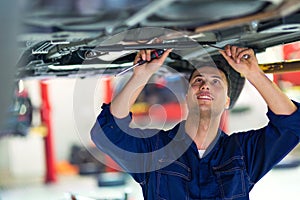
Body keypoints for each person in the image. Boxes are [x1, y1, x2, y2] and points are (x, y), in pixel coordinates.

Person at [91, 45, 300, 200]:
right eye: (198, 80)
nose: (205, 86)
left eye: (215, 82)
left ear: (227, 101)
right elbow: (106, 133)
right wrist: (141, 76)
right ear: (187, 96)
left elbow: (292, 124)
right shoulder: (155, 149)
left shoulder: (244, 153)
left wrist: (253, 73)